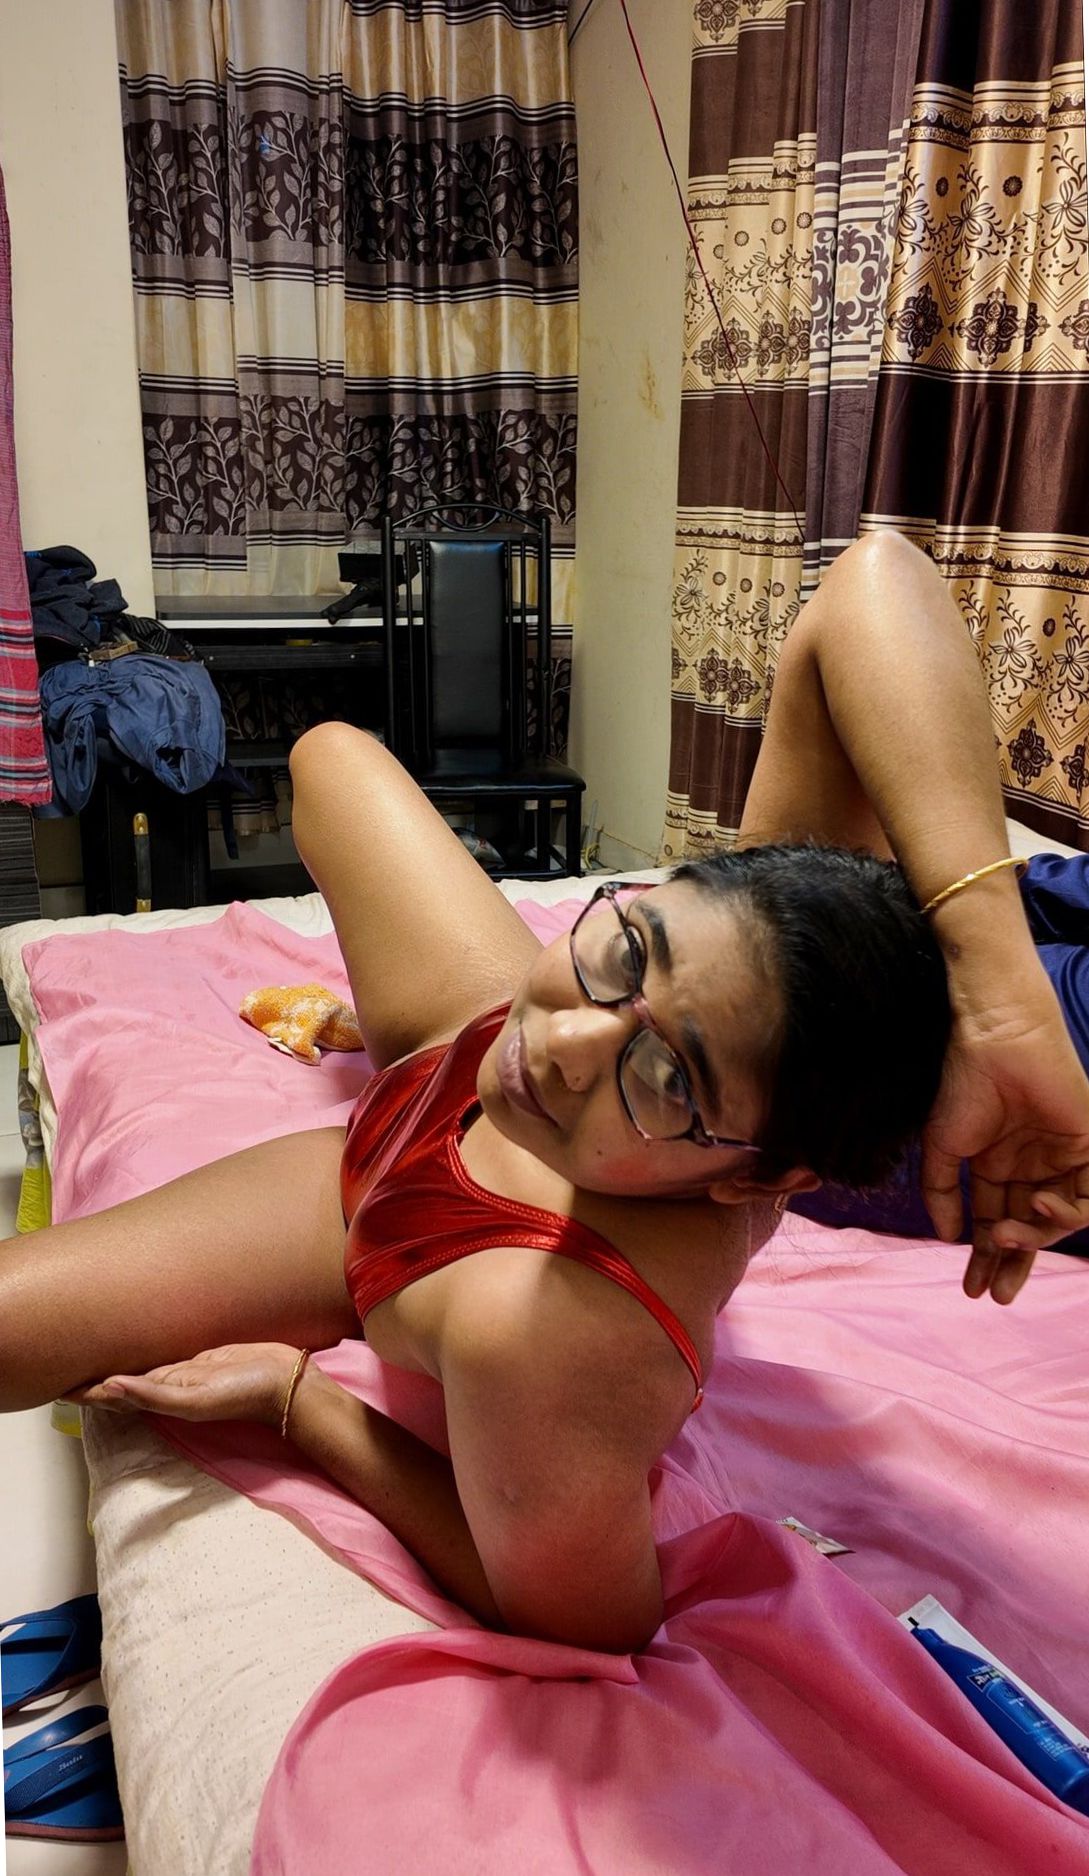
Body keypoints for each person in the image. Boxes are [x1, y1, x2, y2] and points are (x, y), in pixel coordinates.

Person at [2, 530, 1088, 1656]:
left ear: (759, 1177)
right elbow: (876, 578)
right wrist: (1002, 989)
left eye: (665, 1075)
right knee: (331, 755)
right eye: (628, 946)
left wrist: (300, 1403)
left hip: (398, 1216)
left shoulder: (560, 1335)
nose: (558, 1042)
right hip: (449, 1043)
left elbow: (592, 1618)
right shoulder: (751, 981)